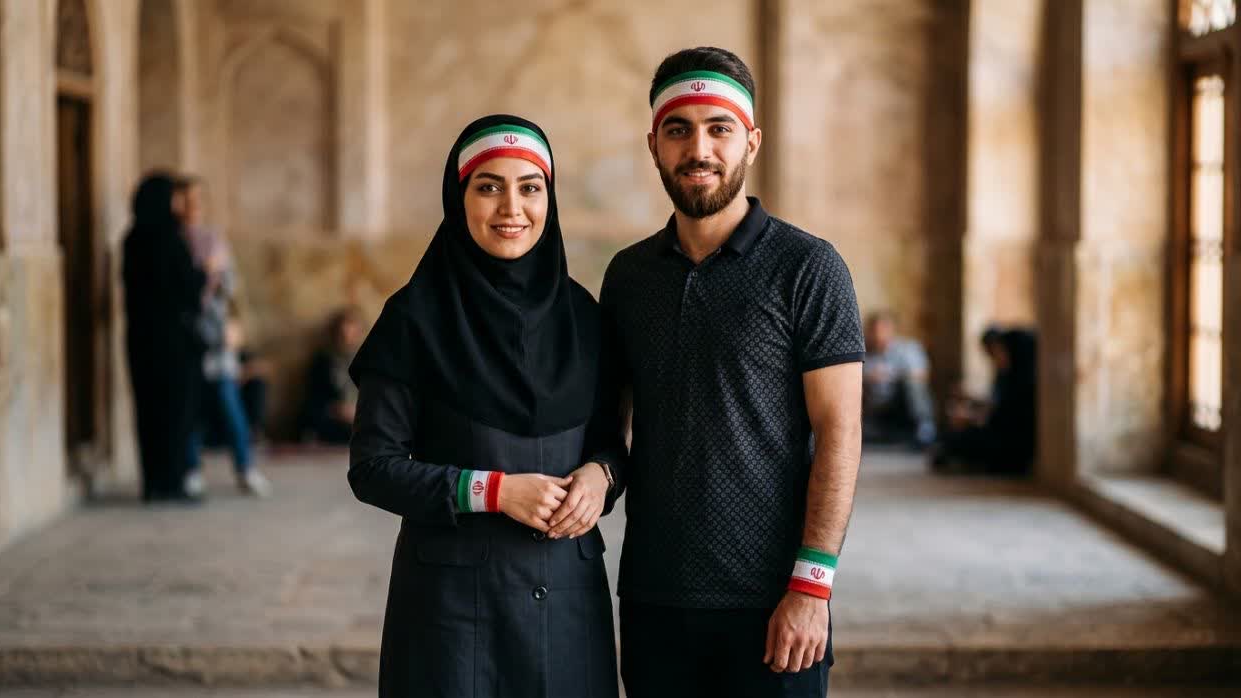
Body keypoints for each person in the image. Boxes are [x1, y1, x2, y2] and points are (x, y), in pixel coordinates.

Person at [601, 47, 863, 697]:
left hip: (773, 600)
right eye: (678, 129)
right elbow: (610, 426)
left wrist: (812, 586)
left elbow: (840, 432)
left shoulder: (809, 267)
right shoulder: (629, 276)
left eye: (719, 128)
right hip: (654, 598)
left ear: (751, 141)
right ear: (654, 145)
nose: (699, 149)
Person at [347, 115, 625, 698]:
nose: (511, 208)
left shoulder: (583, 318)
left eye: (530, 187)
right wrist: (492, 491)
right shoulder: (414, 319)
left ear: (549, 198)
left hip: (567, 605)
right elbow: (373, 467)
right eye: (489, 186)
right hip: (451, 615)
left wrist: (601, 477)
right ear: (459, 197)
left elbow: (610, 447)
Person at [173, 178, 271, 497]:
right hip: (187, 337)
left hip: (216, 335)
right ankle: (191, 469)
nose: (192, 206)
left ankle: (245, 467)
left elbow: (230, 286)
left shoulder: (212, 238)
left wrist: (234, 325)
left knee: (229, 402)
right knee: (190, 405)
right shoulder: (174, 240)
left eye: (197, 199)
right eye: (186, 199)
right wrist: (204, 274)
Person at [122, 172, 207, 503]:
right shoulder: (170, 239)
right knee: (175, 412)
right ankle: (172, 482)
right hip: (173, 343)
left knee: (148, 411)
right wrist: (205, 273)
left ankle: (153, 482)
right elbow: (187, 289)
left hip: (141, 339)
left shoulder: (132, 239)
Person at [932, 327, 1037, 476]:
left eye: (1001, 351)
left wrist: (971, 418)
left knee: (955, 442)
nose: (998, 356)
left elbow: (1007, 422)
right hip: (999, 434)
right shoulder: (1008, 376)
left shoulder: (1025, 382)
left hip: (1012, 445)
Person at [862, 310, 937, 447]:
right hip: (875, 405)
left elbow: (921, 375)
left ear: (892, 330)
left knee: (913, 384)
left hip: (901, 401)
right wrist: (868, 377)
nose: (878, 335)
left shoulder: (908, 349)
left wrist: (891, 376)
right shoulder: (862, 353)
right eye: (874, 331)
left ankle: (924, 429)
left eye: (883, 330)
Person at [298, 307, 365, 445]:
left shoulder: (367, 360)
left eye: (352, 335)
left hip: (361, 415)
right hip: (334, 417)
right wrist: (338, 409)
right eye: (343, 335)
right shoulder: (323, 361)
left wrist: (358, 411)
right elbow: (314, 398)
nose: (347, 340)